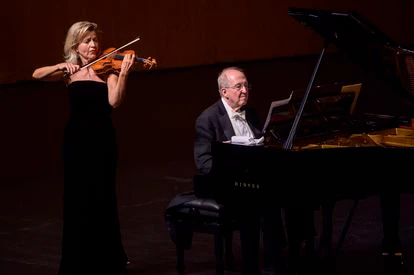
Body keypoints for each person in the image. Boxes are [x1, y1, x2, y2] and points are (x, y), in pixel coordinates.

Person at [32, 21, 134, 275]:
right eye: (87, 41)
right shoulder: (70, 71)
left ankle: (108, 260)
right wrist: (60, 65)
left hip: (103, 142)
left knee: (104, 198)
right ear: (75, 45)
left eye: (95, 40)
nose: (93, 45)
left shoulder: (107, 70)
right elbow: (36, 74)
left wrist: (123, 73)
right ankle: (78, 261)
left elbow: (114, 101)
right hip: (77, 143)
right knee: (78, 200)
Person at [194, 66, 286, 275]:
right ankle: (256, 264)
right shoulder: (207, 119)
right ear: (224, 91)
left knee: (280, 195)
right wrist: (229, 162)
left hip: (252, 179)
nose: (245, 90)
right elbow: (203, 162)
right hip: (225, 182)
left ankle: (279, 257)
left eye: (246, 85)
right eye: (238, 86)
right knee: (259, 202)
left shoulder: (252, 113)